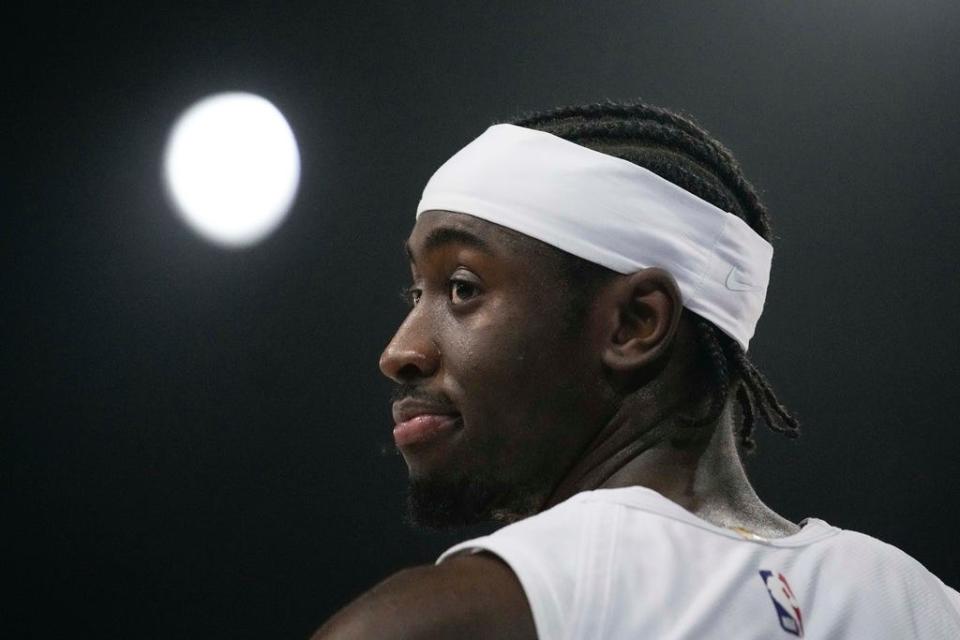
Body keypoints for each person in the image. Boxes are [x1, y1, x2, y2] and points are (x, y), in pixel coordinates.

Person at [312, 102, 960, 639]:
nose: (400, 351)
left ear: (635, 324)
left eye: (461, 287)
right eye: (414, 293)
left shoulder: (447, 621)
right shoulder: (923, 607)